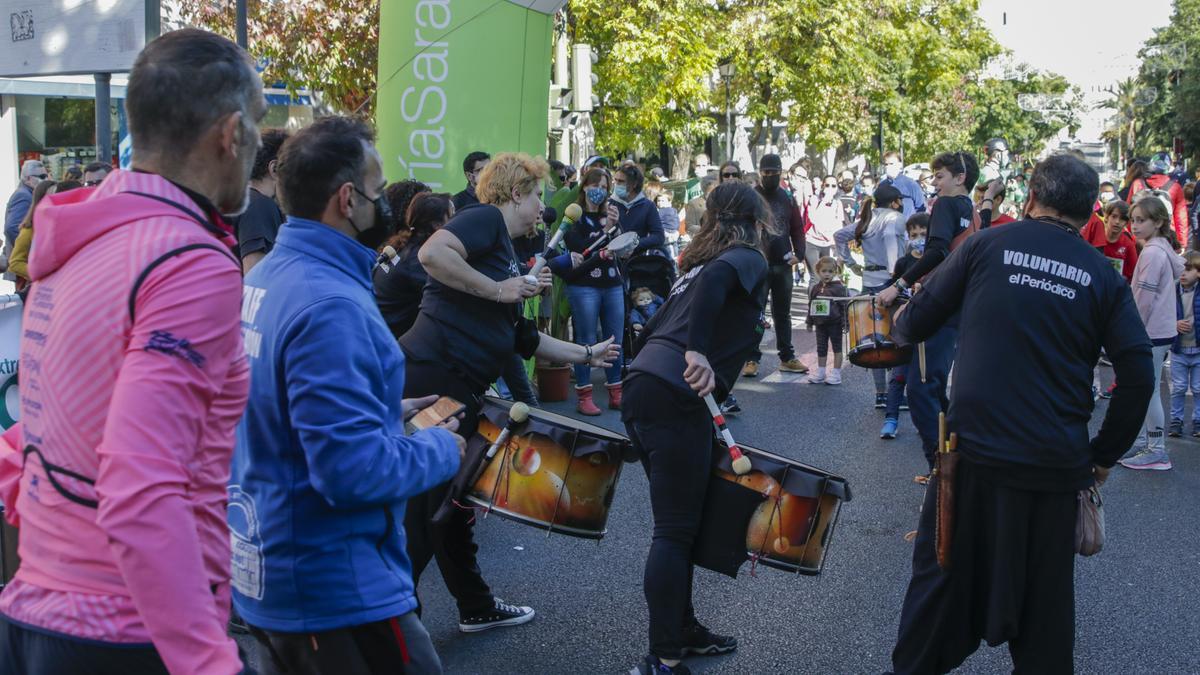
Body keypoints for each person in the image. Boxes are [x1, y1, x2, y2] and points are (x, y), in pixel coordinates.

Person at [0, 28, 265, 674]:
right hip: (128, 633)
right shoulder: (189, 261)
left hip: (33, 617)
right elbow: (139, 484)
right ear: (230, 134)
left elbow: (28, 435)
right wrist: (208, 662)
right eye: (257, 128)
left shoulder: (76, 236)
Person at [887, 152, 1154, 675]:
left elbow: (913, 325)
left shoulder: (987, 247)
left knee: (938, 593)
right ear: (1091, 211)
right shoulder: (1102, 275)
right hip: (1054, 469)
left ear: (1031, 196)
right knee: (1044, 622)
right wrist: (1102, 456)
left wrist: (903, 315)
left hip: (972, 460)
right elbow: (1139, 376)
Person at [231, 116, 461, 674]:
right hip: (334, 586)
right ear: (347, 199)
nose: (386, 206)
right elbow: (349, 472)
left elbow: (283, 409)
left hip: (275, 568)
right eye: (379, 192)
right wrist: (442, 450)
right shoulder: (329, 302)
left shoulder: (269, 278)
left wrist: (385, 411)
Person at [400, 152, 618, 634]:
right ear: (516, 192)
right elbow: (432, 254)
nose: (542, 205)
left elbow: (523, 338)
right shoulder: (484, 220)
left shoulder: (503, 251)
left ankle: (474, 605)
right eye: (537, 194)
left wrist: (587, 353)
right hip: (433, 381)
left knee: (452, 504)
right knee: (426, 508)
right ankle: (390, 624)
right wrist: (500, 290)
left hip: (453, 385)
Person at [623, 181, 771, 675]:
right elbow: (714, 291)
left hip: (647, 384)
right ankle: (663, 657)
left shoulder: (698, 264)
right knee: (674, 530)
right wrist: (695, 351)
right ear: (755, 219)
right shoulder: (745, 256)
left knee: (679, 523)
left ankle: (681, 629)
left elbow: (649, 328)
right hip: (675, 392)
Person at [877, 151, 978, 475]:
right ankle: (952, 459)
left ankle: (941, 470)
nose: (934, 183)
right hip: (961, 305)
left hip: (939, 304)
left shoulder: (947, 205)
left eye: (939, 176)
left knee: (921, 390)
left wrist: (900, 283)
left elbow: (936, 250)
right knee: (933, 384)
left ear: (960, 178)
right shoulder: (972, 211)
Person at [1119, 196, 1183, 471]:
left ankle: (1156, 450)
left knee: (1149, 391)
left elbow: (1143, 297)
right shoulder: (1163, 248)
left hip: (1151, 331)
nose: (1134, 225)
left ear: (1157, 222)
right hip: (1160, 329)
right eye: (1132, 220)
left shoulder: (1152, 253)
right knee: (1151, 388)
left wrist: (1131, 329)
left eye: (1141, 220)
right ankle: (1150, 442)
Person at [560, 167, 625, 414]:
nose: (599, 190)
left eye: (604, 186)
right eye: (594, 184)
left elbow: (622, 246)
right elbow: (581, 250)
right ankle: (584, 396)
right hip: (584, 286)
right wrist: (606, 231)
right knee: (585, 340)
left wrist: (616, 230)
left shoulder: (612, 215)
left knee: (614, 340)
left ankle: (616, 392)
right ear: (584, 186)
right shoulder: (575, 217)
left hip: (612, 285)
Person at [835, 183, 905, 403]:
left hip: (869, 283)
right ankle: (895, 395)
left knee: (875, 339)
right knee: (897, 338)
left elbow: (839, 236)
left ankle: (881, 394)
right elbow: (892, 242)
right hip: (891, 284)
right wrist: (897, 276)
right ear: (895, 201)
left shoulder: (867, 219)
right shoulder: (895, 218)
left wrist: (850, 263)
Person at [743, 154, 807, 377]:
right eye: (766, 172)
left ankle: (787, 356)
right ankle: (751, 357)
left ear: (780, 172)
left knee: (783, 314)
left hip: (782, 263)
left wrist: (799, 253)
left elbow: (798, 227)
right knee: (756, 313)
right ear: (760, 173)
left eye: (774, 172)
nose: (770, 176)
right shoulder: (751, 197)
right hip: (757, 264)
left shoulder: (787, 197)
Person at [375, 191, 454, 337]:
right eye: (452, 216)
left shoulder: (406, 246)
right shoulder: (419, 260)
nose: (457, 221)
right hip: (392, 341)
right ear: (436, 225)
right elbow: (449, 299)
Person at [879, 213, 928, 439]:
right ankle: (891, 419)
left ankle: (924, 421)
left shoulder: (937, 260)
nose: (918, 238)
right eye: (913, 234)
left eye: (923, 234)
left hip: (928, 328)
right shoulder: (904, 262)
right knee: (898, 376)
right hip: (903, 327)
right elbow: (893, 288)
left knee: (923, 379)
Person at [229, 128, 288, 273]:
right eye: (294, 168)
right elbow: (255, 278)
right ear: (274, 169)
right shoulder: (260, 206)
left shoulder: (244, 201)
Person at [1168, 251, 1200, 438]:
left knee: (1198, 388)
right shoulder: (1172, 289)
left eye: (1188, 269)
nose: (1183, 273)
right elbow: (1163, 313)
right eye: (1181, 269)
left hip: (1198, 350)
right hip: (1179, 350)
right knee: (1178, 387)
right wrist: (1174, 323)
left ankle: (1198, 421)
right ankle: (1176, 421)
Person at [1128, 152, 1189, 248]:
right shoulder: (1175, 187)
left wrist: (1130, 238)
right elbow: (1181, 218)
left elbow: (1128, 212)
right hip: (1166, 237)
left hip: (1139, 239)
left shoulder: (1137, 183)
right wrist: (1182, 243)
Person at [804, 256, 849, 384]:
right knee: (821, 347)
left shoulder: (840, 288)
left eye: (830, 271)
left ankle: (836, 373)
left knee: (837, 348)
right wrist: (809, 322)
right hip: (820, 324)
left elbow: (845, 307)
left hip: (835, 324)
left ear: (835, 272)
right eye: (824, 271)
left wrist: (846, 323)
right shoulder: (815, 288)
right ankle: (821, 371)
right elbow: (811, 305)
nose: (827, 274)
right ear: (818, 272)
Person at [5, 179, 59, 283]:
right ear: (40, 201)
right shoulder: (29, 229)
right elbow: (15, 263)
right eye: (51, 197)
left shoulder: (58, 224)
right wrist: (40, 274)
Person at [3, 159, 47, 278]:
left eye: (46, 176)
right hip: (22, 267)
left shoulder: (27, 193)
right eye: (41, 176)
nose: (45, 180)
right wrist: (29, 249)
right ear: (28, 179)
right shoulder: (24, 195)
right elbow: (11, 228)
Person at [1080, 199, 1138, 284]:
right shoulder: (1095, 235)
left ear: (1126, 223)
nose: (1117, 222)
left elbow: (1133, 274)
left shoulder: (1128, 245)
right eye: (1114, 216)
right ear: (1107, 217)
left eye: (1122, 219)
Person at [805, 175, 847, 279]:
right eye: (827, 185)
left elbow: (838, 225)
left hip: (828, 243)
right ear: (823, 186)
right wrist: (823, 202)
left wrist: (836, 245)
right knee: (815, 276)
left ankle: (822, 295)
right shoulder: (815, 199)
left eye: (833, 186)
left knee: (827, 277)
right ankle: (814, 295)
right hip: (812, 242)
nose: (830, 188)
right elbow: (812, 218)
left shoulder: (837, 203)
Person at [880, 151, 926, 218]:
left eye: (891, 163)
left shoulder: (911, 184)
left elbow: (920, 208)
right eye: (886, 164)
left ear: (899, 165)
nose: (888, 167)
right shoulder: (881, 185)